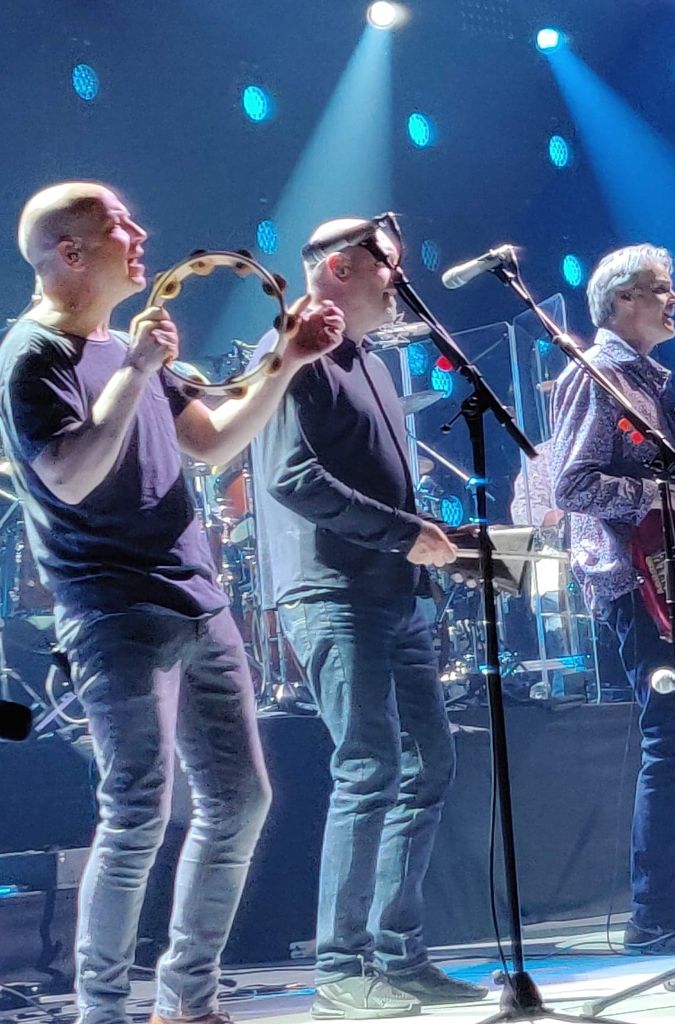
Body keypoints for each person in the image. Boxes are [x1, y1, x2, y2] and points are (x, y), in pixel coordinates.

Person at [0, 181, 344, 1024]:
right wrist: (137, 372)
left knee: (240, 801)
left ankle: (188, 999)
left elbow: (213, 441)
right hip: (114, 611)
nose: (140, 231)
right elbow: (70, 475)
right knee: (136, 812)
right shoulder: (32, 355)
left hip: (197, 601)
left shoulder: (128, 347)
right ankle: (103, 1009)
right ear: (71, 253)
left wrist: (290, 360)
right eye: (119, 224)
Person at [251, 219, 488, 1017]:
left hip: (394, 592)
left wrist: (428, 546)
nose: (400, 280)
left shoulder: (372, 364)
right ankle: (341, 966)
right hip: (333, 593)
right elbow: (289, 477)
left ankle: (398, 954)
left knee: (429, 765)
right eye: (390, 265)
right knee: (369, 767)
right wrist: (402, 534)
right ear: (343, 267)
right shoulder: (292, 350)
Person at [550, 243, 675, 955]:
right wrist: (663, 494)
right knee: (671, 742)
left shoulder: (648, 383)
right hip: (636, 583)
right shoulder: (597, 375)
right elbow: (571, 486)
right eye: (660, 289)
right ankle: (652, 916)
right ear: (620, 300)